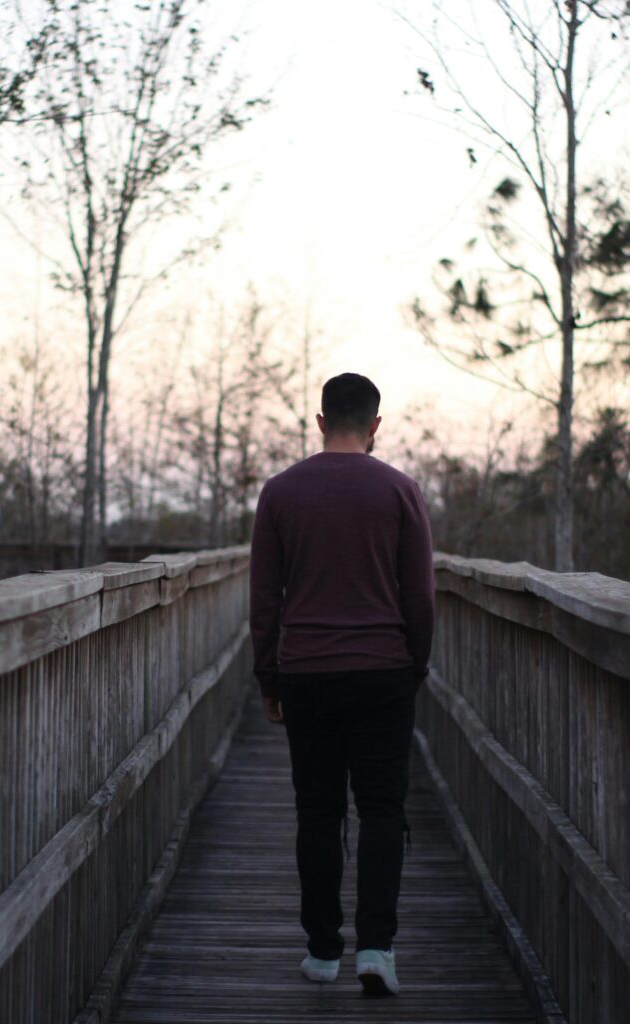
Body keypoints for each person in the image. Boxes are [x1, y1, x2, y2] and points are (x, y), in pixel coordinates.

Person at [249, 372, 434, 996]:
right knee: (383, 809)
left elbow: (264, 598)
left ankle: (323, 951)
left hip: (306, 673)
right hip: (384, 672)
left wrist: (268, 677)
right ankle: (377, 950)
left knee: (318, 811)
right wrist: (416, 667)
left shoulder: (280, 492)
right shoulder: (401, 490)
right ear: (375, 426)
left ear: (321, 420)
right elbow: (421, 596)